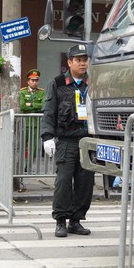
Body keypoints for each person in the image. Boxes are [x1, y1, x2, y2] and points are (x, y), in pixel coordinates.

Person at [41, 45, 93, 238]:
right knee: (63, 181)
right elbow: (49, 111)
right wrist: (47, 137)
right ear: (69, 62)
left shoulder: (92, 82)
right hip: (66, 140)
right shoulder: (58, 82)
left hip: (88, 140)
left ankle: (76, 220)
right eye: (78, 60)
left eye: (85, 59)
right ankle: (61, 220)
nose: (82, 63)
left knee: (85, 182)